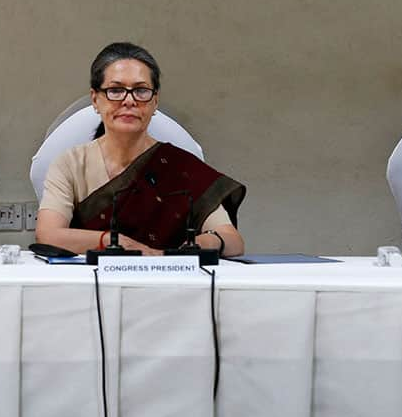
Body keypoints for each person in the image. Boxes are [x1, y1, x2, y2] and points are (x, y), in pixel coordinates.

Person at [35, 42, 246, 257]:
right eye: (115, 90)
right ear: (95, 99)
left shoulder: (181, 166)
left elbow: (233, 241)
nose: (129, 100)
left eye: (141, 91)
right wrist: (112, 241)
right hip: (94, 285)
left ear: (155, 101)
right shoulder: (70, 164)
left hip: (172, 282)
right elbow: (48, 235)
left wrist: (202, 242)